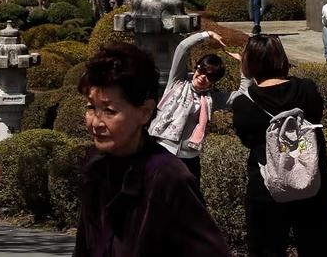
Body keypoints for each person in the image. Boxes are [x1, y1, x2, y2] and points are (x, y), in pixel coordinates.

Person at [73, 42, 230, 256]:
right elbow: (85, 244)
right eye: (91, 108)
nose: (95, 122)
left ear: (145, 112)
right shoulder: (95, 161)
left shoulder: (167, 175)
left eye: (109, 111)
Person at [229, 34, 327, 257]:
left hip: (267, 187)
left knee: (266, 249)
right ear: (282, 58)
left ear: (248, 62)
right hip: (313, 182)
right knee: (318, 247)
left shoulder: (244, 103)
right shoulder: (307, 89)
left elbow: (247, 140)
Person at [147, 30, 245, 185]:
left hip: (189, 159)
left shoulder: (212, 99)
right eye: (202, 69)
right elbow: (182, 48)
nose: (203, 76)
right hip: (162, 151)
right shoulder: (177, 82)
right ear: (197, 67)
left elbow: (243, 94)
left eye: (210, 76)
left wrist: (244, 67)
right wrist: (208, 34)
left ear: (214, 82)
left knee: (186, 203)